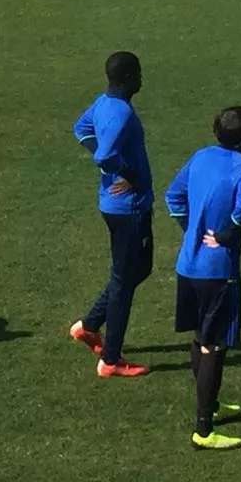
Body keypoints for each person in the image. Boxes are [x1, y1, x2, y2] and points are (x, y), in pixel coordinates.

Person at [165, 106, 241, 449]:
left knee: (199, 337)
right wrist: (222, 236)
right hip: (218, 271)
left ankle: (211, 406)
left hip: (187, 264)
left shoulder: (201, 156)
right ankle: (204, 430)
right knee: (214, 344)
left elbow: (173, 197)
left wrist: (189, 228)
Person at [70, 51, 154, 377]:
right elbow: (104, 155)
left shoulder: (102, 102)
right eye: (139, 73)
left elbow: (81, 129)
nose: (142, 79)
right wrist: (126, 173)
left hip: (115, 205)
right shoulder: (121, 113)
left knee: (137, 269)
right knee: (124, 279)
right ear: (129, 78)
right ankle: (111, 359)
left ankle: (89, 325)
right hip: (128, 208)